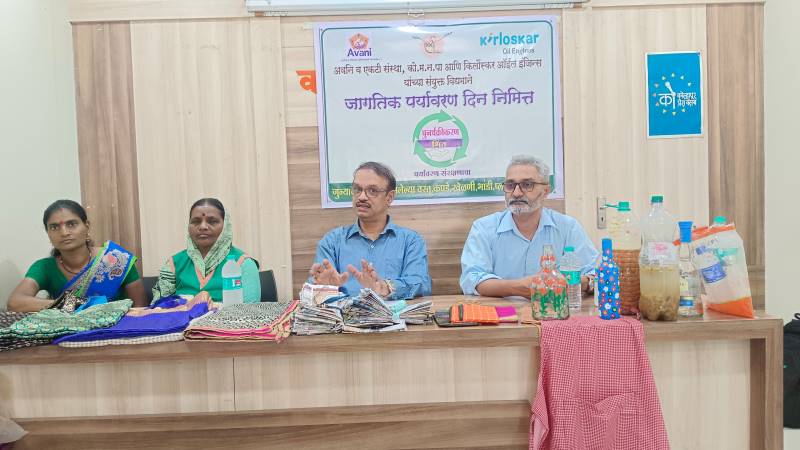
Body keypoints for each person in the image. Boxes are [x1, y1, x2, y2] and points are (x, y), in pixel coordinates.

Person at [460, 155, 599, 298]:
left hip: (554, 307)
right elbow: (472, 280)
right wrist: (518, 288)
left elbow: (596, 275)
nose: (516, 193)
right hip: (503, 310)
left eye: (527, 185)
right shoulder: (483, 228)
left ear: (546, 191)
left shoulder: (568, 227)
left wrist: (572, 282)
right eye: (510, 185)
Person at [309, 162, 432, 299]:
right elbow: (314, 291)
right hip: (345, 312)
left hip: (393, 313)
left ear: (389, 197)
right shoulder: (332, 242)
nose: (362, 197)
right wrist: (324, 289)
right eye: (357, 189)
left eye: (372, 191)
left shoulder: (410, 241)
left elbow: (421, 284)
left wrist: (386, 287)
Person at [7, 200, 146, 312]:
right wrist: (72, 304)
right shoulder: (44, 267)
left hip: (118, 331)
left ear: (86, 226)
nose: (64, 232)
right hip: (69, 334)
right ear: (48, 233)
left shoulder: (116, 259)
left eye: (71, 224)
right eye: (54, 227)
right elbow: (15, 302)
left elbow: (140, 308)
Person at [151, 198, 261, 303]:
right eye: (196, 221)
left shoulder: (243, 263)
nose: (203, 226)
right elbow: (158, 309)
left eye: (212, 221)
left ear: (225, 226)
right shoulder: (173, 264)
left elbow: (248, 312)